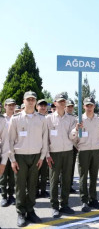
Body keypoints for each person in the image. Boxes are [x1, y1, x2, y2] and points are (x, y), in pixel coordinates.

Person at [9, 91, 48, 227]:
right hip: (20, 156)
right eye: (28, 99)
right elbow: (10, 141)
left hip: (36, 156)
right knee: (20, 186)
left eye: (33, 99)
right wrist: (12, 160)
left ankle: (30, 211)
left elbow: (44, 139)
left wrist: (42, 157)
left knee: (32, 185)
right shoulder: (16, 119)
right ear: (24, 101)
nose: (31, 101)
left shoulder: (42, 119)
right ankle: (21, 212)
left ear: (35, 102)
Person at [46, 93, 77, 218]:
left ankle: (64, 204)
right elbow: (45, 138)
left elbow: (72, 137)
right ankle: (54, 206)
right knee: (54, 180)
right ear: (55, 103)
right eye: (60, 101)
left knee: (66, 179)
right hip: (54, 152)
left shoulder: (71, 119)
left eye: (64, 101)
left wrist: (75, 130)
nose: (62, 103)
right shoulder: (48, 119)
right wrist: (47, 154)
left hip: (68, 152)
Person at [71, 97, 99, 212]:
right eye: (87, 105)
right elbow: (72, 137)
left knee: (94, 176)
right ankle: (84, 201)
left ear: (94, 106)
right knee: (83, 177)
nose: (89, 107)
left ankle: (93, 199)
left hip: (95, 150)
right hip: (83, 151)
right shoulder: (79, 120)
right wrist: (76, 131)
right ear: (84, 106)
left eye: (91, 105)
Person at [0, 98, 15, 207]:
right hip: (4, 150)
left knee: (13, 175)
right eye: (9, 105)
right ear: (5, 106)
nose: (11, 107)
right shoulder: (2, 119)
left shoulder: (17, 118)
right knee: (3, 176)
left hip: (14, 151)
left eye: (13, 105)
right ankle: (4, 196)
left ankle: (11, 195)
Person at [36, 99, 49, 198]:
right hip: (36, 149)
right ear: (37, 107)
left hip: (46, 150)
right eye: (41, 105)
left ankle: (43, 191)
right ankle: (35, 191)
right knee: (35, 173)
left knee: (44, 172)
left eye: (44, 105)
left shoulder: (49, 118)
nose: (43, 107)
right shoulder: (34, 118)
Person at [65, 99, 78, 194]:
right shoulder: (62, 117)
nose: (70, 108)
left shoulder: (75, 118)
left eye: (71, 106)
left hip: (72, 145)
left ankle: (69, 185)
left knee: (71, 167)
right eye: (68, 106)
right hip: (62, 145)